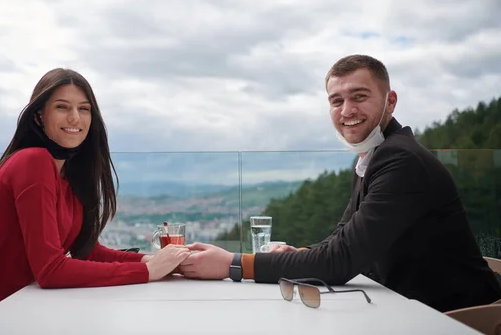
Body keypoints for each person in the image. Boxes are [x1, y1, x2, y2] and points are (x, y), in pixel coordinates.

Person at [179, 54, 501, 312]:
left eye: (359, 96)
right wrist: (296, 254)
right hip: (409, 307)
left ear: (390, 101)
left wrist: (233, 264)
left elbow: (341, 259)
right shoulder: (374, 155)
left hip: (454, 318)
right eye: (336, 101)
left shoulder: (401, 161)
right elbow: (342, 240)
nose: (347, 110)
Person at [0, 68, 190, 313]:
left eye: (84, 109)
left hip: (22, 312)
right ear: (39, 116)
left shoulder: (67, 176)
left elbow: (87, 251)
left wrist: (152, 261)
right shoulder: (33, 162)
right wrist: (147, 272)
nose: (75, 118)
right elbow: (50, 271)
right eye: (62, 107)